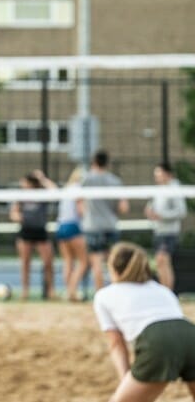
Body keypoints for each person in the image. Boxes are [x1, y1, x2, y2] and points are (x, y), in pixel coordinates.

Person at [92, 242, 195, 401]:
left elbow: (116, 344)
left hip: (157, 340)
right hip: (190, 334)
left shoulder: (104, 296)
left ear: (112, 268)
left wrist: (126, 380)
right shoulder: (161, 289)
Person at [82, 150, 130, 292]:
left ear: (94, 161)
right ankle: (117, 293)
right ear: (107, 163)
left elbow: (78, 201)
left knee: (97, 264)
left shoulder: (87, 179)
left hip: (93, 226)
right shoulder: (115, 181)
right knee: (114, 263)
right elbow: (123, 207)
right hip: (110, 225)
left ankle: (100, 295)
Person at [9, 170, 54, 300]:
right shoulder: (21, 196)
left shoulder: (42, 194)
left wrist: (42, 178)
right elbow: (13, 213)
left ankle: (50, 291)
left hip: (40, 231)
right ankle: (25, 292)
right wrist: (17, 217)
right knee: (25, 263)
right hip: (26, 231)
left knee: (48, 262)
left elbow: (55, 192)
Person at [145, 162, 187, 292]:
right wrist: (149, 211)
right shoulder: (159, 189)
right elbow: (152, 207)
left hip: (169, 232)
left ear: (168, 174)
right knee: (160, 262)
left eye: (159, 174)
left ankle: (168, 293)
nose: (156, 177)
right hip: (159, 231)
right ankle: (165, 292)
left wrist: (161, 215)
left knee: (163, 260)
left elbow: (181, 211)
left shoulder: (174, 189)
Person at [54, 167, 88, 301]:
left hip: (61, 226)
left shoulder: (67, 189)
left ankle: (68, 291)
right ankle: (71, 291)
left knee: (68, 261)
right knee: (84, 261)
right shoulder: (79, 190)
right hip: (73, 226)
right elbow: (81, 210)